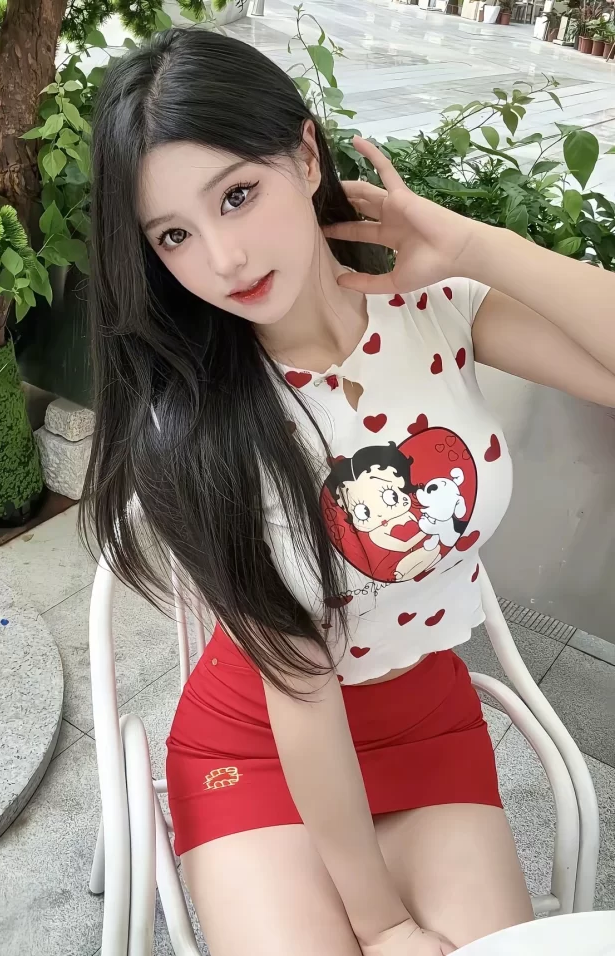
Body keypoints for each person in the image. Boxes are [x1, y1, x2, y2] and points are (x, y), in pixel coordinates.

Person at [82, 27, 615, 956]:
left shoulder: (436, 311)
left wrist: (475, 245)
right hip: (259, 740)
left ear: (305, 153)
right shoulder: (197, 424)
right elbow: (300, 693)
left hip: (425, 722)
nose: (223, 260)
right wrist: (384, 924)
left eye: (237, 196)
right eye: (174, 235)